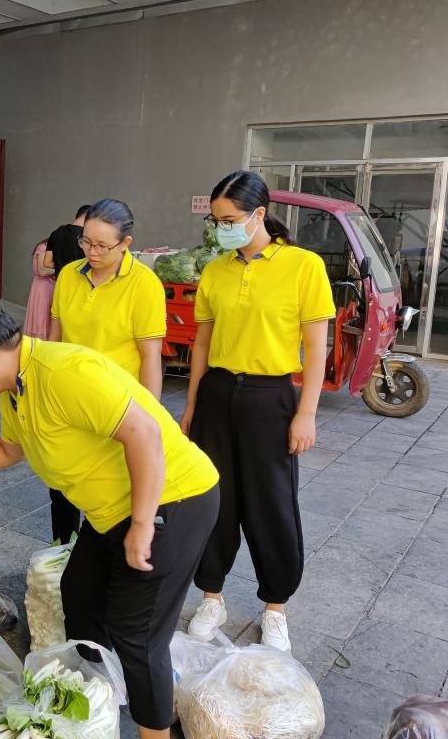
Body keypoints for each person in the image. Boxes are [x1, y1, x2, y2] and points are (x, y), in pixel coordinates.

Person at [0, 299, 219, 739]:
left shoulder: (65, 371)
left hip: (170, 501)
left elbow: (144, 432)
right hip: (109, 513)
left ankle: (155, 725)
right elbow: (8, 450)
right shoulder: (15, 388)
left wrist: (142, 525)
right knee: (81, 595)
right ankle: (103, 702)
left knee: (138, 633)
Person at [181, 170, 335, 653]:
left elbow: (316, 348)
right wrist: (190, 407)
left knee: (272, 504)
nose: (222, 228)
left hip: (271, 398)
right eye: (217, 220)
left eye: (229, 219)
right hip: (217, 394)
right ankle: (212, 597)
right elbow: (201, 343)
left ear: (259, 215)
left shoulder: (302, 266)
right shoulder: (216, 270)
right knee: (212, 499)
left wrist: (306, 413)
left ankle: (275, 607)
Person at [49, 198, 166, 399]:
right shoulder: (68, 274)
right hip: (70, 392)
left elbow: (150, 357)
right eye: (86, 242)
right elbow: (55, 339)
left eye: (102, 246)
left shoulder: (145, 284)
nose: (92, 252)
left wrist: (151, 416)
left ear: (125, 243)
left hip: (118, 401)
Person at [43, 204, 90, 273]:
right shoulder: (86, 235)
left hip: (61, 281)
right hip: (79, 280)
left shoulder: (56, 233)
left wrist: (62, 266)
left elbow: (47, 263)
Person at [23, 237, 55, 339]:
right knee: (41, 316)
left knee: (48, 315)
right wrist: (59, 268)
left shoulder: (51, 249)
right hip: (42, 287)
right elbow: (42, 271)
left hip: (50, 285)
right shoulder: (43, 248)